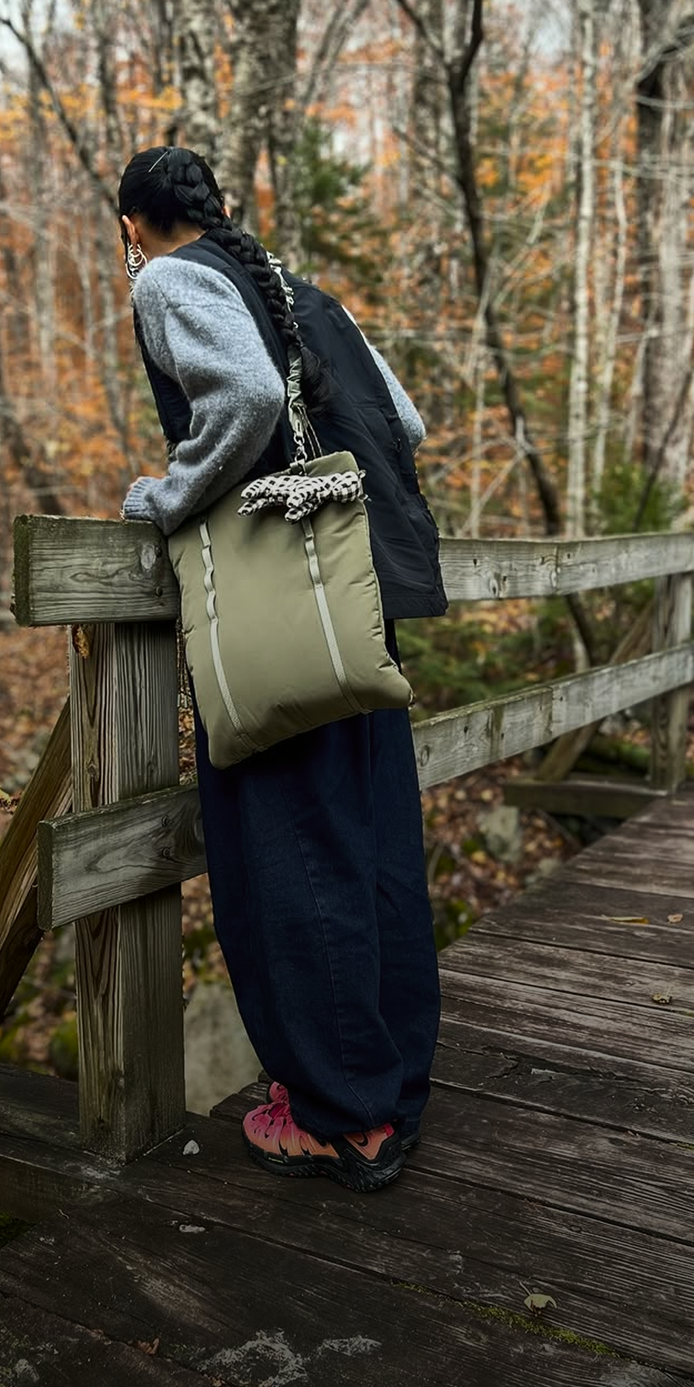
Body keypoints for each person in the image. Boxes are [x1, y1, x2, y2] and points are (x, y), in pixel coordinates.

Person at [117, 146, 446, 1193]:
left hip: (269, 615)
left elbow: (249, 393)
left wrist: (169, 497)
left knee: (288, 850)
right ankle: (392, 1090)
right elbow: (404, 424)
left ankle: (341, 1120)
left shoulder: (169, 277)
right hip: (358, 601)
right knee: (376, 841)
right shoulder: (297, 289)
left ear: (133, 225)